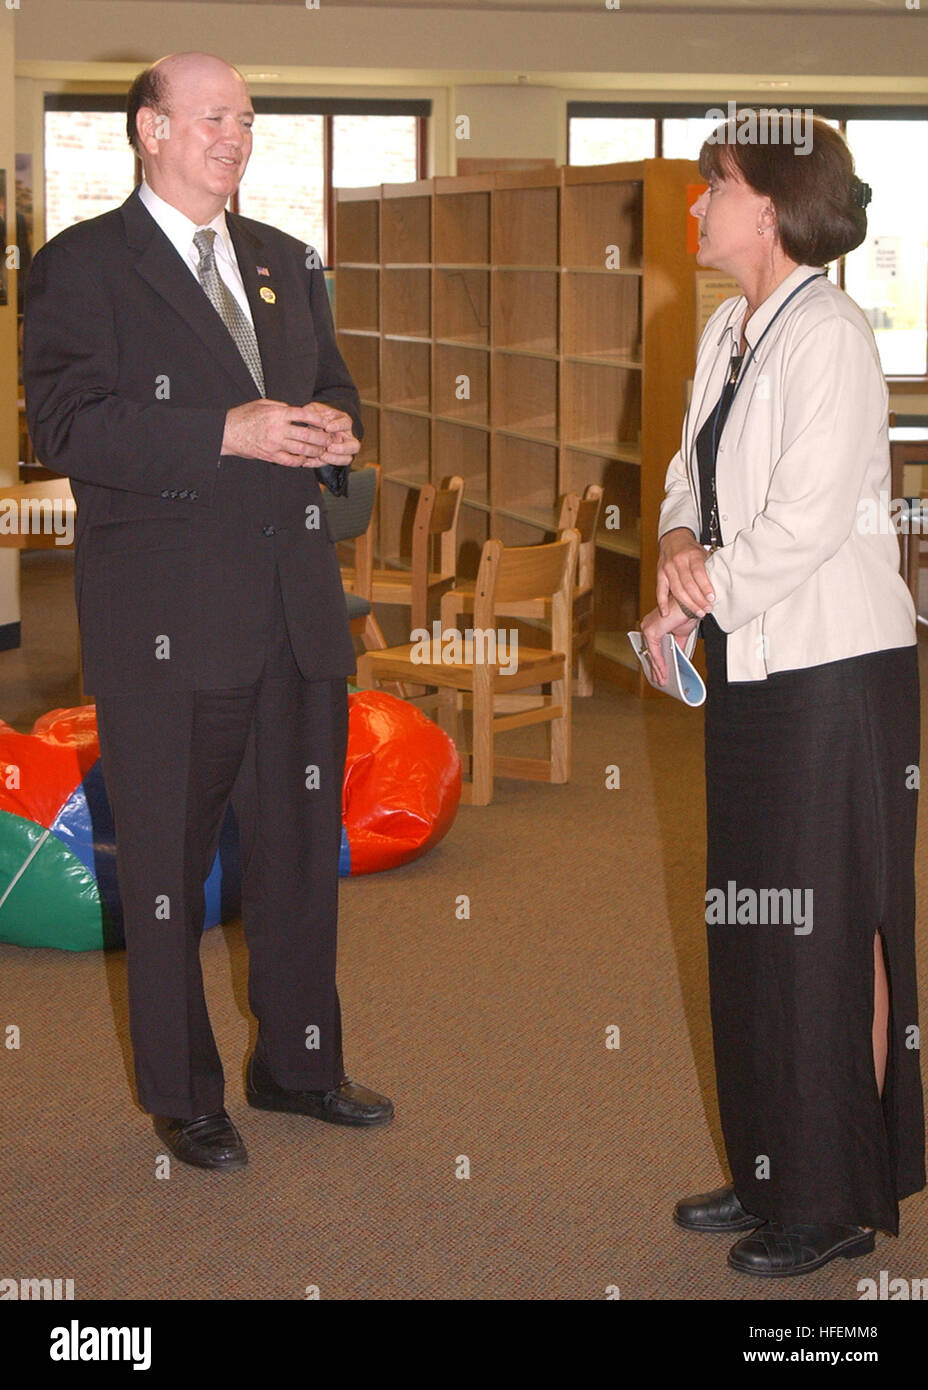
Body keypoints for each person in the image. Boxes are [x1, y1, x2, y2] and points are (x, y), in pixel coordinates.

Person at [23, 52, 393, 1173]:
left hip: (295, 613)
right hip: (166, 623)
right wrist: (225, 431)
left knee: (295, 855)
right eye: (214, 117)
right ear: (150, 129)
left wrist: (334, 431)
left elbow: (333, 382)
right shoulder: (83, 266)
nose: (236, 135)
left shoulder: (284, 261)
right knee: (171, 869)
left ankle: (299, 1064)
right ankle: (185, 1097)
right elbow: (70, 427)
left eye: (246, 118)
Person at [641, 112, 924, 1276]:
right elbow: (682, 473)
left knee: (824, 932)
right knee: (752, 928)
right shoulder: (725, 328)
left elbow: (804, 523)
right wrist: (669, 546)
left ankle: (833, 1193)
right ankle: (770, 1169)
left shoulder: (835, 335)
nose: (695, 205)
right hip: (754, 666)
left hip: (834, 674)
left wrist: (697, 598)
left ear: (768, 204)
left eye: (714, 184)